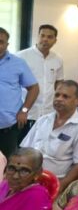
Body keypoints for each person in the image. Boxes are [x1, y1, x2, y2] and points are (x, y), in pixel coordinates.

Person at [21, 80, 78, 191]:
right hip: (29, 179)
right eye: (57, 95)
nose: (59, 99)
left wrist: (60, 187)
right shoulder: (43, 120)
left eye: (65, 96)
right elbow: (25, 150)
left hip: (57, 183)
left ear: (77, 100)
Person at [16, 24, 63, 140]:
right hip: (26, 113)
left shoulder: (58, 59)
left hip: (48, 112)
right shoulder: (21, 57)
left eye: (50, 37)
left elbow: (59, 84)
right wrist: (23, 110)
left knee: (44, 145)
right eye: (42, 35)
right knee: (22, 146)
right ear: (38, 36)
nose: (45, 39)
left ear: (55, 40)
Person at [0, 27, 39, 158]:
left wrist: (24, 110)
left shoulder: (18, 63)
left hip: (8, 129)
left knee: (8, 164)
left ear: (7, 44)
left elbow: (34, 88)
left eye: (1, 42)